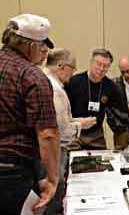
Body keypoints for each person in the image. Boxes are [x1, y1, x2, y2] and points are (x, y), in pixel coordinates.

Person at [0, 14, 60, 214]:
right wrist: (52, 179)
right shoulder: (32, 76)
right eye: (43, 45)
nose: (45, 51)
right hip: (12, 174)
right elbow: (47, 134)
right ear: (31, 45)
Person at [43, 48, 96, 214]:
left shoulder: (45, 82)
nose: (72, 75)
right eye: (72, 69)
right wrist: (82, 125)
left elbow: (58, 121)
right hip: (54, 149)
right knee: (54, 194)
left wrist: (76, 121)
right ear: (61, 66)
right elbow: (63, 130)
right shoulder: (56, 90)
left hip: (47, 148)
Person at [65, 48, 123, 149]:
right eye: (98, 64)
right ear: (91, 63)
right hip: (75, 132)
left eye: (105, 66)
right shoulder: (73, 82)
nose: (101, 69)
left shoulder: (110, 86)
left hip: (96, 135)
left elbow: (118, 112)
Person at [110, 56, 129, 150]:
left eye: (128, 71)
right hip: (121, 129)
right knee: (120, 156)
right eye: (122, 72)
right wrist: (115, 125)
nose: (125, 75)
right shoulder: (114, 85)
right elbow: (109, 108)